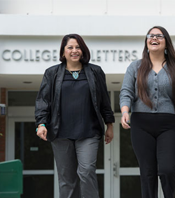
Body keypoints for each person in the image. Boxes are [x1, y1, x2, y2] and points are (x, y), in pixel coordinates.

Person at [35, 34, 114, 198]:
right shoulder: (52, 73)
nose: (74, 51)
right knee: (66, 179)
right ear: (63, 52)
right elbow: (43, 101)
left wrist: (109, 125)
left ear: (83, 50)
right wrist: (41, 124)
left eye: (78, 47)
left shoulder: (95, 72)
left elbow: (104, 101)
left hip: (89, 132)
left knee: (86, 172)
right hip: (60, 133)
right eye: (70, 47)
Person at [120, 26, 175, 198]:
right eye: (151, 36)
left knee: (167, 169)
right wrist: (125, 111)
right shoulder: (135, 67)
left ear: (166, 42)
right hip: (141, 124)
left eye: (159, 36)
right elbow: (126, 91)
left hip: (167, 125)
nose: (154, 38)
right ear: (146, 41)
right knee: (148, 172)